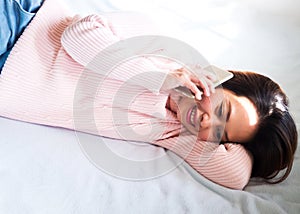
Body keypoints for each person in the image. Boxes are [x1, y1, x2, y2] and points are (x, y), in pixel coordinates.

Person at [0, 0, 297, 190]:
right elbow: (77, 35)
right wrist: (160, 81)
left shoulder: (167, 132)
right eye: (224, 110)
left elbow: (235, 174)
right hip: (20, 19)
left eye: (222, 136)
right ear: (219, 80)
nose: (209, 122)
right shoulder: (160, 46)